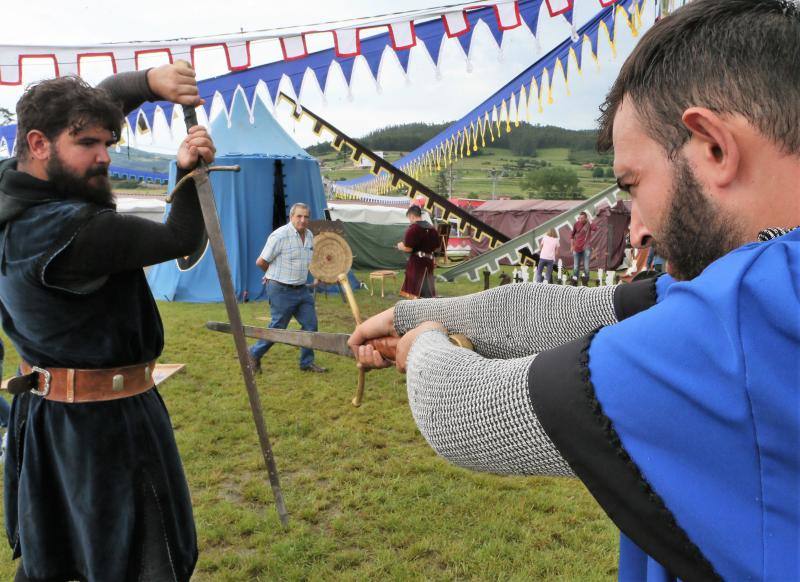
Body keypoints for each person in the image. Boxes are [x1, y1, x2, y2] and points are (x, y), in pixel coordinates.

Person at [349, 1, 800, 579]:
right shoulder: (758, 288)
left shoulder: (749, 315)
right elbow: (591, 310)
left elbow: (467, 413)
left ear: (713, 146)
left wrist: (426, 343)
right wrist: (420, 315)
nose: (636, 226)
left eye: (633, 185)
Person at [0, 63, 214, 581]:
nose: (104, 157)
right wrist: (188, 170)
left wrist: (149, 82)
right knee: (134, 564)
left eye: (108, 142)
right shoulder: (73, 230)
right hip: (107, 431)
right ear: (38, 143)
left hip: (49, 419)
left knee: (58, 561)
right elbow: (180, 239)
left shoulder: (13, 191)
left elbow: (95, 105)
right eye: (88, 145)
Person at [248, 202, 327, 374]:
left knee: (310, 325)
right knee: (278, 328)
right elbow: (261, 262)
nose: (303, 220)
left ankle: (306, 363)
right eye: (299, 216)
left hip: (301, 290)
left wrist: (315, 278)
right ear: (291, 217)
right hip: (281, 290)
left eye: (306, 216)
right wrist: (271, 275)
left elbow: (309, 259)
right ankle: (253, 353)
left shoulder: (310, 236)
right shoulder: (280, 236)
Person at [397, 205, 440, 299]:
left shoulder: (413, 229)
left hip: (417, 264)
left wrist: (400, 247)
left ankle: (416, 309)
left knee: (415, 293)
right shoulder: (432, 229)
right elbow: (437, 247)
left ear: (412, 216)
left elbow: (409, 248)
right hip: (428, 262)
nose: (409, 220)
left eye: (409, 218)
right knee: (428, 292)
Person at [569, 211, 597, 285]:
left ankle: (585, 282)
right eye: (579, 218)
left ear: (585, 218)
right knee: (576, 266)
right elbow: (572, 236)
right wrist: (571, 246)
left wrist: (590, 221)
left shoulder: (589, 224)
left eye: (582, 218)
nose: (580, 219)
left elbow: (595, 228)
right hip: (576, 248)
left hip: (586, 248)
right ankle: (574, 281)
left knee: (586, 266)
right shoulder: (576, 224)